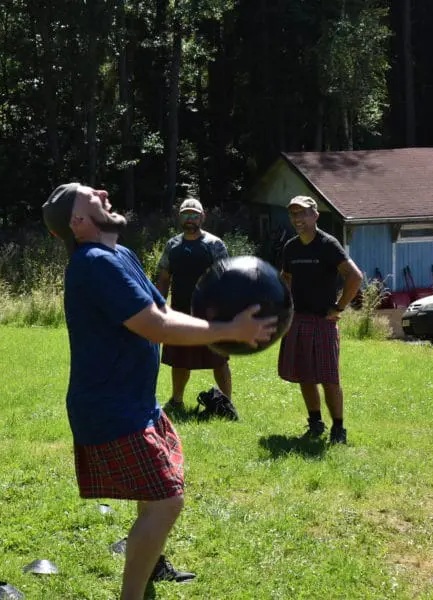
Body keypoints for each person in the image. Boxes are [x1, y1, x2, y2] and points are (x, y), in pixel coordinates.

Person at [42, 183, 277, 599]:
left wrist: (220, 326)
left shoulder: (120, 254)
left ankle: (151, 566)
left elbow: (163, 310)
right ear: (78, 221)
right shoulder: (94, 262)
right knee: (168, 500)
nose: (103, 192)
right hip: (110, 408)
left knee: (154, 495)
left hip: (135, 401)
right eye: (90, 195)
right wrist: (229, 330)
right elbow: (154, 325)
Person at [278, 195, 362, 445]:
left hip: (323, 321)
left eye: (303, 213)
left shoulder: (328, 244)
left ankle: (338, 429)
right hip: (298, 319)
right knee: (304, 375)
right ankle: (315, 423)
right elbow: (286, 277)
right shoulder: (291, 247)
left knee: (329, 378)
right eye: (294, 214)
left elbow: (354, 276)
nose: (298, 218)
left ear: (315, 215)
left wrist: (339, 307)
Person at [155, 198, 234, 416]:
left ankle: (227, 404)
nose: (190, 219)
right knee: (179, 360)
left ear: (202, 217)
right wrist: (158, 306)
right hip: (179, 312)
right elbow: (164, 278)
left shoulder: (214, 244)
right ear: (180, 217)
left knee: (219, 360)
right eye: (186, 214)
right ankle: (176, 401)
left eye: (194, 215)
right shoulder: (172, 245)